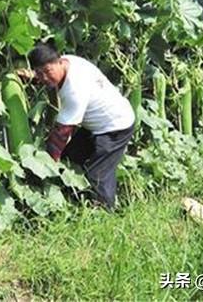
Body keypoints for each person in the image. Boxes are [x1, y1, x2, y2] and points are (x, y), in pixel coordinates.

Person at [20, 43, 135, 211]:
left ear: (59, 62)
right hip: (98, 123)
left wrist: (45, 165)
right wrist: (33, 77)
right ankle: (75, 202)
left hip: (116, 126)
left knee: (98, 174)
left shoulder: (74, 91)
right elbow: (49, 77)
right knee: (71, 157)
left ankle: (104, 214)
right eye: (39, 72)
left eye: (47, 71)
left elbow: (61, 133)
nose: (44, 77)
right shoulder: (69, 61)